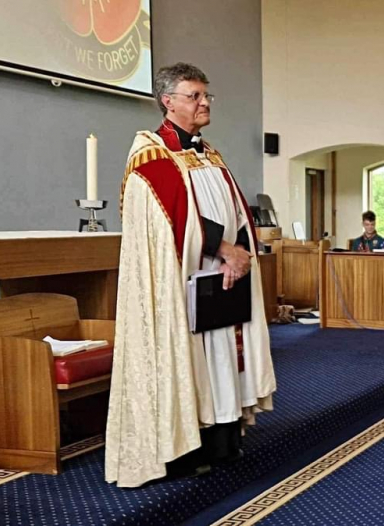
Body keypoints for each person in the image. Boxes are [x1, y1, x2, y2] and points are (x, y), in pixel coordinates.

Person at [106, 63, 276, 488]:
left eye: (205, 95)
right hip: (182, 281)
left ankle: (223, 440)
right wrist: (224, 249)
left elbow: (235, 209)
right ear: (168, 102)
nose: (204, 103)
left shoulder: (208, 153)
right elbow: (174, 217)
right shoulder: (151, 157)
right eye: (194, 96)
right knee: (192, 360)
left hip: (223, 275)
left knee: (222, 358)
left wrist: (239, 254)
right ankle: (187, 449)